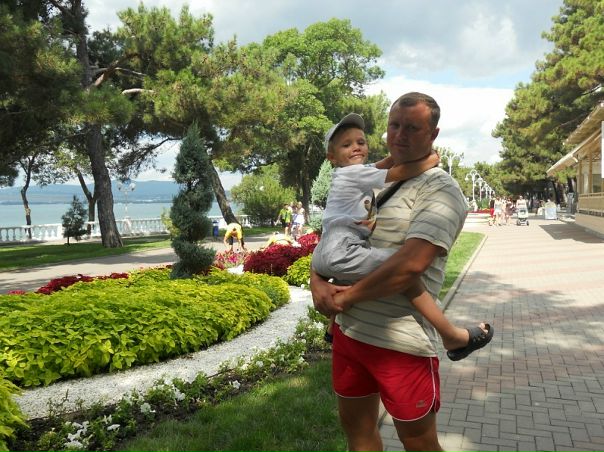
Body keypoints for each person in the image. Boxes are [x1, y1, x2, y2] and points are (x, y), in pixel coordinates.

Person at [311, 92, 493, 452]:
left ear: (433, 134)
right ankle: (454, 336)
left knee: (419, 444)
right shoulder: (373, 178)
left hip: (400, 344)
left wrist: (344, 297)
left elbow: (409, 266)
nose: (399, 135)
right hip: (350, 333)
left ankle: (452, 336)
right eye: (394, 125)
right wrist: (316, 281)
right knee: (358, 435)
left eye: (412, 128)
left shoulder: (441, 190)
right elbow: (336, 239)